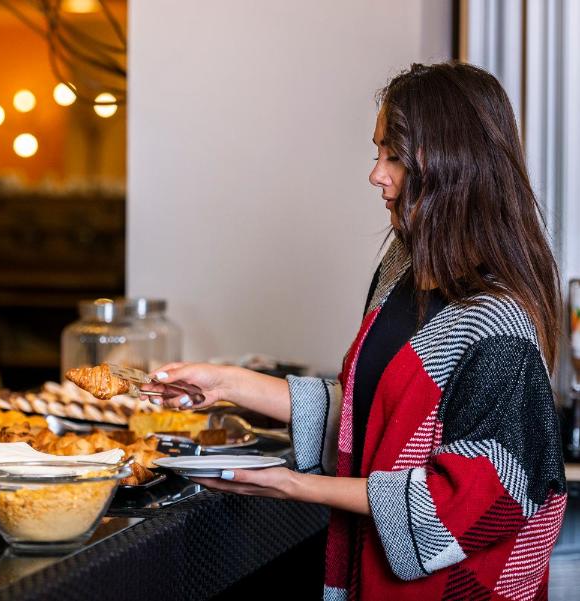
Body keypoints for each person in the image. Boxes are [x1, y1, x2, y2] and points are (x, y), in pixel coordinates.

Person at [143, 63, 567, 600]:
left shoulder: (497, 322)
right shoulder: (402, 269)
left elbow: (480, 499)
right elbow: (370, 415)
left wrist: (295, 484)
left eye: (395, 157)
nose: (376, 175)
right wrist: (227, 384)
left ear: (454, 164)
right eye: (377, 153)